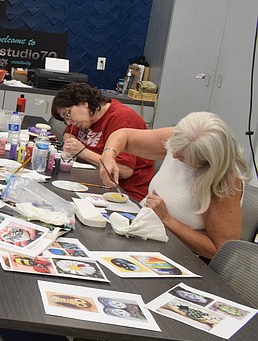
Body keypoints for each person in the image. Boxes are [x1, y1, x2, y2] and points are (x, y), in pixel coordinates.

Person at [99, 111, 249, 260]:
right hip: (145, 236)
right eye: (173, 148)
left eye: (183, 156)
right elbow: (123, 135)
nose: (174, 155)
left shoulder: (224, 182)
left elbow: (221, 250)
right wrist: (109, 155)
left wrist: (167, 219)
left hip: (181, 257)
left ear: (206, 160)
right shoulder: (184, 138)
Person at [51, 82, 153, 201]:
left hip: (122, 193)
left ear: (84, 103)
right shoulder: (84, 118)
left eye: (68, 114)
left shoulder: (122, 118)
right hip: (93, 181)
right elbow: (69, 133)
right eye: (65, 119)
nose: (69, 122)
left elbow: (124, 170)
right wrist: (71, 143)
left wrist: (82, 152)